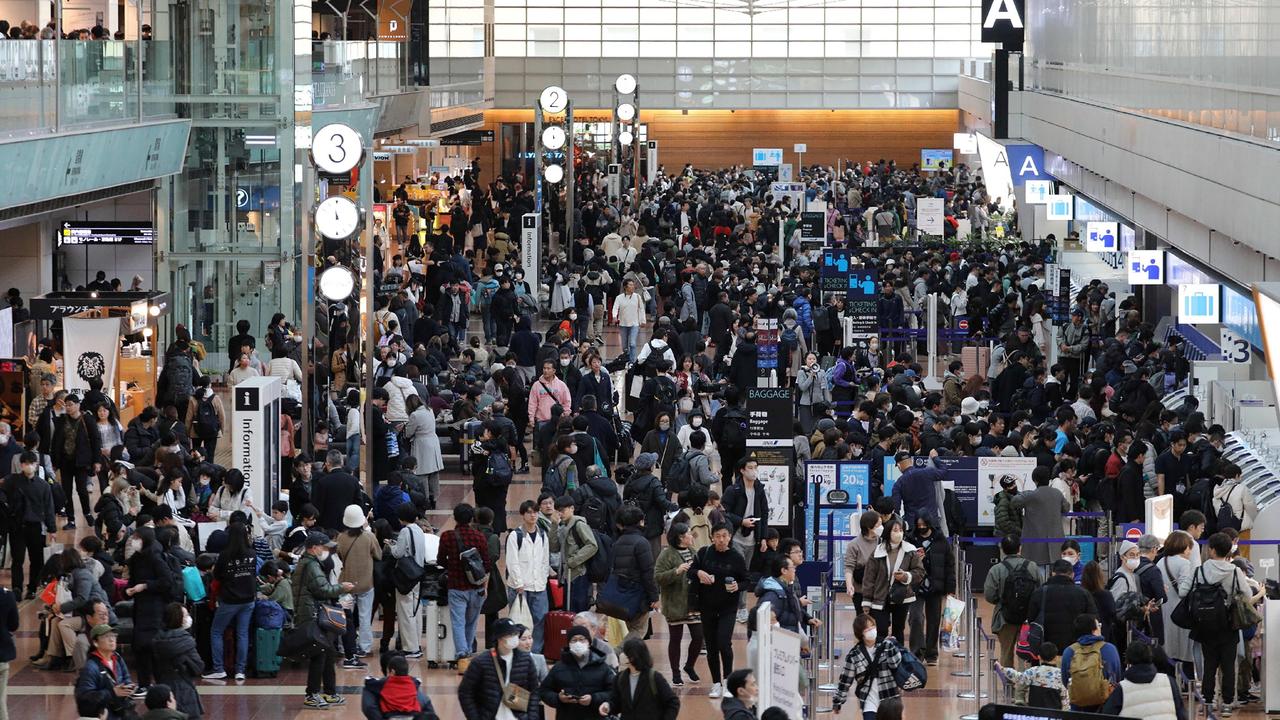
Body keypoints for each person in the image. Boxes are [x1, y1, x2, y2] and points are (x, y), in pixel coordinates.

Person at [1183, 532, 1262, 713]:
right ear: (1228, 551)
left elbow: (1183, 592)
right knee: (1228, 666)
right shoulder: (1234, 571)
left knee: (1209, 664)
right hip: (1228, 624)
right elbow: (1248, 595)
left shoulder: (1200, 571)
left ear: (1211, 550)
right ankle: (1227, 704)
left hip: (1204, 624)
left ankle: (1208, 702)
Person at [293, 532, 354, 709]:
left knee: (327, 653)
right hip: (312, 614)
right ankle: (312, 695)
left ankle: (330, 693)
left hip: (311, 612)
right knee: (319, 655)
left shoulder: (308, 563)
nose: (325, 549)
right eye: (323, 546)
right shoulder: (311, 566)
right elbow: (323, 590)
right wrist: (341, 588)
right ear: (314, 548)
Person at [689, 522, 748, 699]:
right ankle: (716, 683)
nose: (721, 540)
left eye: (725, 536)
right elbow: (690, 572)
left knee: (724, 642)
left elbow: (747, 581)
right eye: (718, 536)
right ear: (712, 537)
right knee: (712, 646)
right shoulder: (704, 553)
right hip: (706, 606)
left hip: (728, 607)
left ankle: (728, 681)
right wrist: (699, 573)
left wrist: (737, 586)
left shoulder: (736, 557)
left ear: (730, 537)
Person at [438, 503, 492, 673]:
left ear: (454, 517)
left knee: (458, 622)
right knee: (471, 622)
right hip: (476, 587)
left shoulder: (447, 536)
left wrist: (453, 567)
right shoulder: (479, 537)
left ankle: (462, 654)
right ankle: (466, 654)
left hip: (455, 587)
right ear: (471, 518)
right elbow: (487, 564)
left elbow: (440, 560)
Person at [458, 618, 542, 720]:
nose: (514, 638)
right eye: (510, 635)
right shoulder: (481, 662)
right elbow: (465, 692)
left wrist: (532, 717)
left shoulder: (526, 660)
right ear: (499, 638)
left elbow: (534, 691)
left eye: (515, 634)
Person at [204, 520, 256, 681]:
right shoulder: (251, 554)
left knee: (216, 631)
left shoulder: (225, 556)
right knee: (242, 633)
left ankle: (219, 668)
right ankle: (240, 670)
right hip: (248, 600)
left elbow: (217, 575)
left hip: (229, 600)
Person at [860, 517, 924, 643]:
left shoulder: (910, 551)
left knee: (898, 630)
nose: (898, 533)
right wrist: (866, 601)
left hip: (902, 596)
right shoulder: (878, 552)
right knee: (881, 630)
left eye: (900, 530)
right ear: (888, 532)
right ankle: (881, 659)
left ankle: (897, 658)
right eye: (895, 530)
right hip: (880, 596)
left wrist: (906, 576)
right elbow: (869, 578)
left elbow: (920, 572)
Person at [722, 456, 770, 623]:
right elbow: (724, 512)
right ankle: (738, 606)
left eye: (755, 467)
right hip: (736, 537)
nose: (753, 470)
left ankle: (739, 607)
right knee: (737, 571)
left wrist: (763, 537)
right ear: (742, 470)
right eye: (750, 467)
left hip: (752, 539)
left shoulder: (759, 489)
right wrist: (740, 521)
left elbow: (764, 514)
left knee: (744, 573)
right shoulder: (733, 490)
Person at [654, 522, 703, 686]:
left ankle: (689, 666)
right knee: (675, 638)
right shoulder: (667, 554)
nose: (692, 536)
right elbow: (658, 577)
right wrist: (676, 571)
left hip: (693, 603)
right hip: (674, 603)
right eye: (689, 533)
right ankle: (675, 672)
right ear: (681, 538)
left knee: (698, 636)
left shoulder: (694, 552)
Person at [983, 533, 1042, 667]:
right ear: (1020, 548)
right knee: (1025, 653)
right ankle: (1024, 684)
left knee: (1006, 652)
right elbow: (1040, 590)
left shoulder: (996, 569)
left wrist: (1003, 601)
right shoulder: (1032, 566)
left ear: (1002, 549)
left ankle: (1008, 684)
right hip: (1028, 618)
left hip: (1005, 617)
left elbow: (989, 595)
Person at [5, 451, 57, 599]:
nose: (29, 466)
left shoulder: (44, 486)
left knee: (37, 560)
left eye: (31, 463)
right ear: (21, 465)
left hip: (36, 527)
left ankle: (33, 587)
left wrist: (52, 528)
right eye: (26, 463)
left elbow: (49, 508)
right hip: (17, 527)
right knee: (17, 559)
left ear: (36, 465)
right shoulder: (12, 482)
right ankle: (16, 588)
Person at [538, 625, 617, 720]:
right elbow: (544, 691)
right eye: (574, 640)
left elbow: (613, 692)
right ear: (569, 644)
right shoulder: (559, 667)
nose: (578, 643)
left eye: (582, 639)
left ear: (589, 643)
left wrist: (593, 699)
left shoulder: (602, 667)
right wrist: (559, 698)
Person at [832, 614, 902, 719]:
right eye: (867, 628)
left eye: (872, 626)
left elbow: (896, 665)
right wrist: (838, 701)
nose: (871, 630)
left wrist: (891, 647)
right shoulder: (854, 655)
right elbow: (845, 680)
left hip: (890, 699)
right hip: (869, 701)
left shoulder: (887, 645)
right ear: (860, 633)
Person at [337, 504, 381, 666]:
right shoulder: (369, 537)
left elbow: (340, 556)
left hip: (346, 583)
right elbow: (378, 554)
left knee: (345, 617)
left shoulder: (341, 538)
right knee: (364, 615)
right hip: (366, 583)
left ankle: (344, 646)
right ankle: (365, 647)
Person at [908, 514, 954, 665]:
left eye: (924, 524)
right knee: (916, 617)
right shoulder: (910, 540)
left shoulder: (941, 541)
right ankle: (916, 651)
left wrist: (950, 588)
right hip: (915, 585)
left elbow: (949, 565)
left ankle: (931, 653)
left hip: (936, 586)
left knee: (934, 621)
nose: (921, 527)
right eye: (918, 524)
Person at [609, 505, 660, 642]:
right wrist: (654, 596)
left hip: (621, 594)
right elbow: (648, 572)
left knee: (631, 628)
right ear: (640, 522)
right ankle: (618, 652)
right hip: (638, 595)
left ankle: (633, 661)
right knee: (638, 631)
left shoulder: (617, 543)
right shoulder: (642, 543)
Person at [1099, 640, 1186, 720]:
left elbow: (1108, 714)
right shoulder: (1169, 681)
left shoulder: (1122, 688)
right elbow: (1181, 713)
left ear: (1128, 660)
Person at [505, 500, 551, 653]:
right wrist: (518, 584)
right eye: (529, 512)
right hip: (520, 587)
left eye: (535, 512)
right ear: (523, 515)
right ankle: (518, 652)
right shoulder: (515, 536)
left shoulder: (543, 535)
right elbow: (512, 562)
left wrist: (543, 580)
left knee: (539, 621)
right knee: (519, 622)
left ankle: (534, 652)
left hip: (539, 587)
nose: (533, 515)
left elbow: (545, 560)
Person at [599, 637, 681, 720]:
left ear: (632, 656)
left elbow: (673, 702)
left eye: (625, 652)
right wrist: (608, 706)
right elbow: (616, 703)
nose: (622, 655)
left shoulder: (654, 678)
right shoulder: (620, 678)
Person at [1028, 559, 1098, 654]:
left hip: (1047, 651)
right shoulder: (1083, 593)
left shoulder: (1039, 592)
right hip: (1075, 650)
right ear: (1072, 574)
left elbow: (1031, 619)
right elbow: (1093, 619)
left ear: (1053, 573)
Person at [151, 604, 204, 719]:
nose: (188, 618)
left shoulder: (157, 640)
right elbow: (198, 667)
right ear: (178, 618)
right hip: (185, 689)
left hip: (164, 687)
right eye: (185, 615)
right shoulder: (186, 641)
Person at [389, 503, 428, 659]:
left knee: (405, 613)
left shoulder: (405, 531)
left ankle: (410, 649)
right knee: (415, 610)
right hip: (417, 573)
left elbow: (398, 553)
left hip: (406, 576)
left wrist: (391, 546)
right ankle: (417, 644)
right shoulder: (419, 529)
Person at [1060, 613, 1122, 712]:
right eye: (1099, 625)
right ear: (1093, 630)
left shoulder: (1069, 651)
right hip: (1105, 707)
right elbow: (1117, 676)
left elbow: (1065, 680)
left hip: (1078, 708)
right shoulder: (1109, 649)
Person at [1013, 466, 1071, 571]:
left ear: (1035, 480)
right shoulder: (1057, 494)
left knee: (1037, 575)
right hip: (1056, 544)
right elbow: (1066, 508)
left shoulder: (1030, 495)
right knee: (1055, 575)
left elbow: (1014, 502)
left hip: (1035, 546)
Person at [74, 625, 136, 720]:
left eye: (113, 636)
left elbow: (126, 677)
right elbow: (85, 697)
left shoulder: (117, 658)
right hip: (103, 713)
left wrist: (128, 687)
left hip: (120, 709)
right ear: (95, 643)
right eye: (106, 636)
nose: (112, 639)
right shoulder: (91, 667)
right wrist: (112, 692)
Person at [548, 494, 598, 613]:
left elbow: (592, 545)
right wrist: (554, 525)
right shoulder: (563, 527)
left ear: (572, 508)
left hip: (579, 574)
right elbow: (554, 547)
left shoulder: (579, 525)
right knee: (568, 610)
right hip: (567, 576)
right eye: (558, 511)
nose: (560, 514)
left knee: (578, 611)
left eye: (563, 510)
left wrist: (573, 561)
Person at [362, 652, 439, 720]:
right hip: (413, 714)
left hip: (391, 714)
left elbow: (369, 683)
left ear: (391, 671)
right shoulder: (413, 682)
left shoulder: (384, 683)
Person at [995, 642, 1066, 710]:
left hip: (1035, 712)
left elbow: (1018, 677)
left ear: (1039, 657)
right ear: (1056, 658)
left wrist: (1002, 669)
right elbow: (1065, 698)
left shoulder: (1033, 671)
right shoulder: (1061, 675)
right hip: (1054, 714)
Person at [843, 510, 883, 609]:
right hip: (861, 591)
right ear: (870, 527)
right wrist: (849, 585)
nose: (881, 527)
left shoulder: (882, 542)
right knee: (864, 621)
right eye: (878, 525)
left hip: (880, 591)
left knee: (881, 621)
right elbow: (849, 567)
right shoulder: (854, 545)